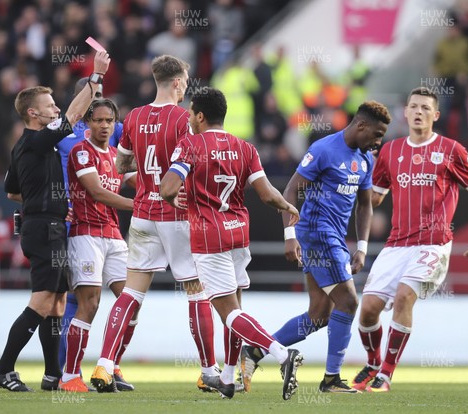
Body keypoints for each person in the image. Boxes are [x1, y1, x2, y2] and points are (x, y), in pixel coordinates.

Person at [160, 87, 303, 400]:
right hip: (239, 233)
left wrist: (177, 202)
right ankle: (227, 377)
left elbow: (167, 187)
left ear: (200, 116)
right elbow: (266, 194)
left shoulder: (191, 145)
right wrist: (287, 206)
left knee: (228, 313)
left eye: (191, 113)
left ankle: (281, 354)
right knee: (236, 309)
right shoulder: (245, 148)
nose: (189, 119)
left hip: (209, 237)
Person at [240, 101, 392, 393]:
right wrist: (289, 235)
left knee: (319, 315)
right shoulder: (324, 149)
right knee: (348, 301)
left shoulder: (366, 159)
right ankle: (331, 379)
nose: (378, 141)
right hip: (316, 233)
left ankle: (256, 351)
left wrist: (361, 246)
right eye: (377, 133)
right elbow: (290, 191)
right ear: (361, 125)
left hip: (334, 237)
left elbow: (365, 205)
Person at [89, 55, 217, 393]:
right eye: (185, 81)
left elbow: (120, 166)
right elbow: (195, 166)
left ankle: (103, 367)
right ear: (176, 82)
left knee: (130, 293)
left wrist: (146, 179)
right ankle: (208, 371)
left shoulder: (133, 117)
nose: (186, 87)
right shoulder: (183, 119)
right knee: (196, 292)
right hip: (176, 215)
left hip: (143, 214)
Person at [351, 87, 468, 392]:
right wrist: (358, 178)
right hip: (396, 243)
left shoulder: (452, 150)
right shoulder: (390, 151)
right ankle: (374, 362)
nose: (418, 112)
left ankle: (385, 375)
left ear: (435, 115)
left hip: (433, 243)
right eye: (413, 106)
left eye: (425, 108)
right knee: (368, 309)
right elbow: (374, 199)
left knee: (404, 297)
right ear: (405, 112)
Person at [0, 49, 110, 392]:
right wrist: (95, 77)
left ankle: (52, 374)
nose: (56, 108)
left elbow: (12, 190)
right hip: (44, 228)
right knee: (43, 300)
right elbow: (72, 114)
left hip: (47, 224)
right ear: (33, 113)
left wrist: (44, 200)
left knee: (57, 303)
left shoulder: (26, 147)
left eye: (55, 103)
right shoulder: (38, 141)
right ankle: (2, 368)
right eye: (49, 105)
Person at [55, 77, 132, 391]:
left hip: (112, 232)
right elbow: (98, 192)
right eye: (97, 119)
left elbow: (132, 175)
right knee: (82, 302)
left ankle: (108, 366)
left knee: (130, 300)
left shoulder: (114, 153)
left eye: (108, 120)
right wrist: (142, 206)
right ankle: (67, 374)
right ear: (84, 114)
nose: (104, 125)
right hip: (81, 229)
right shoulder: (74, 148)